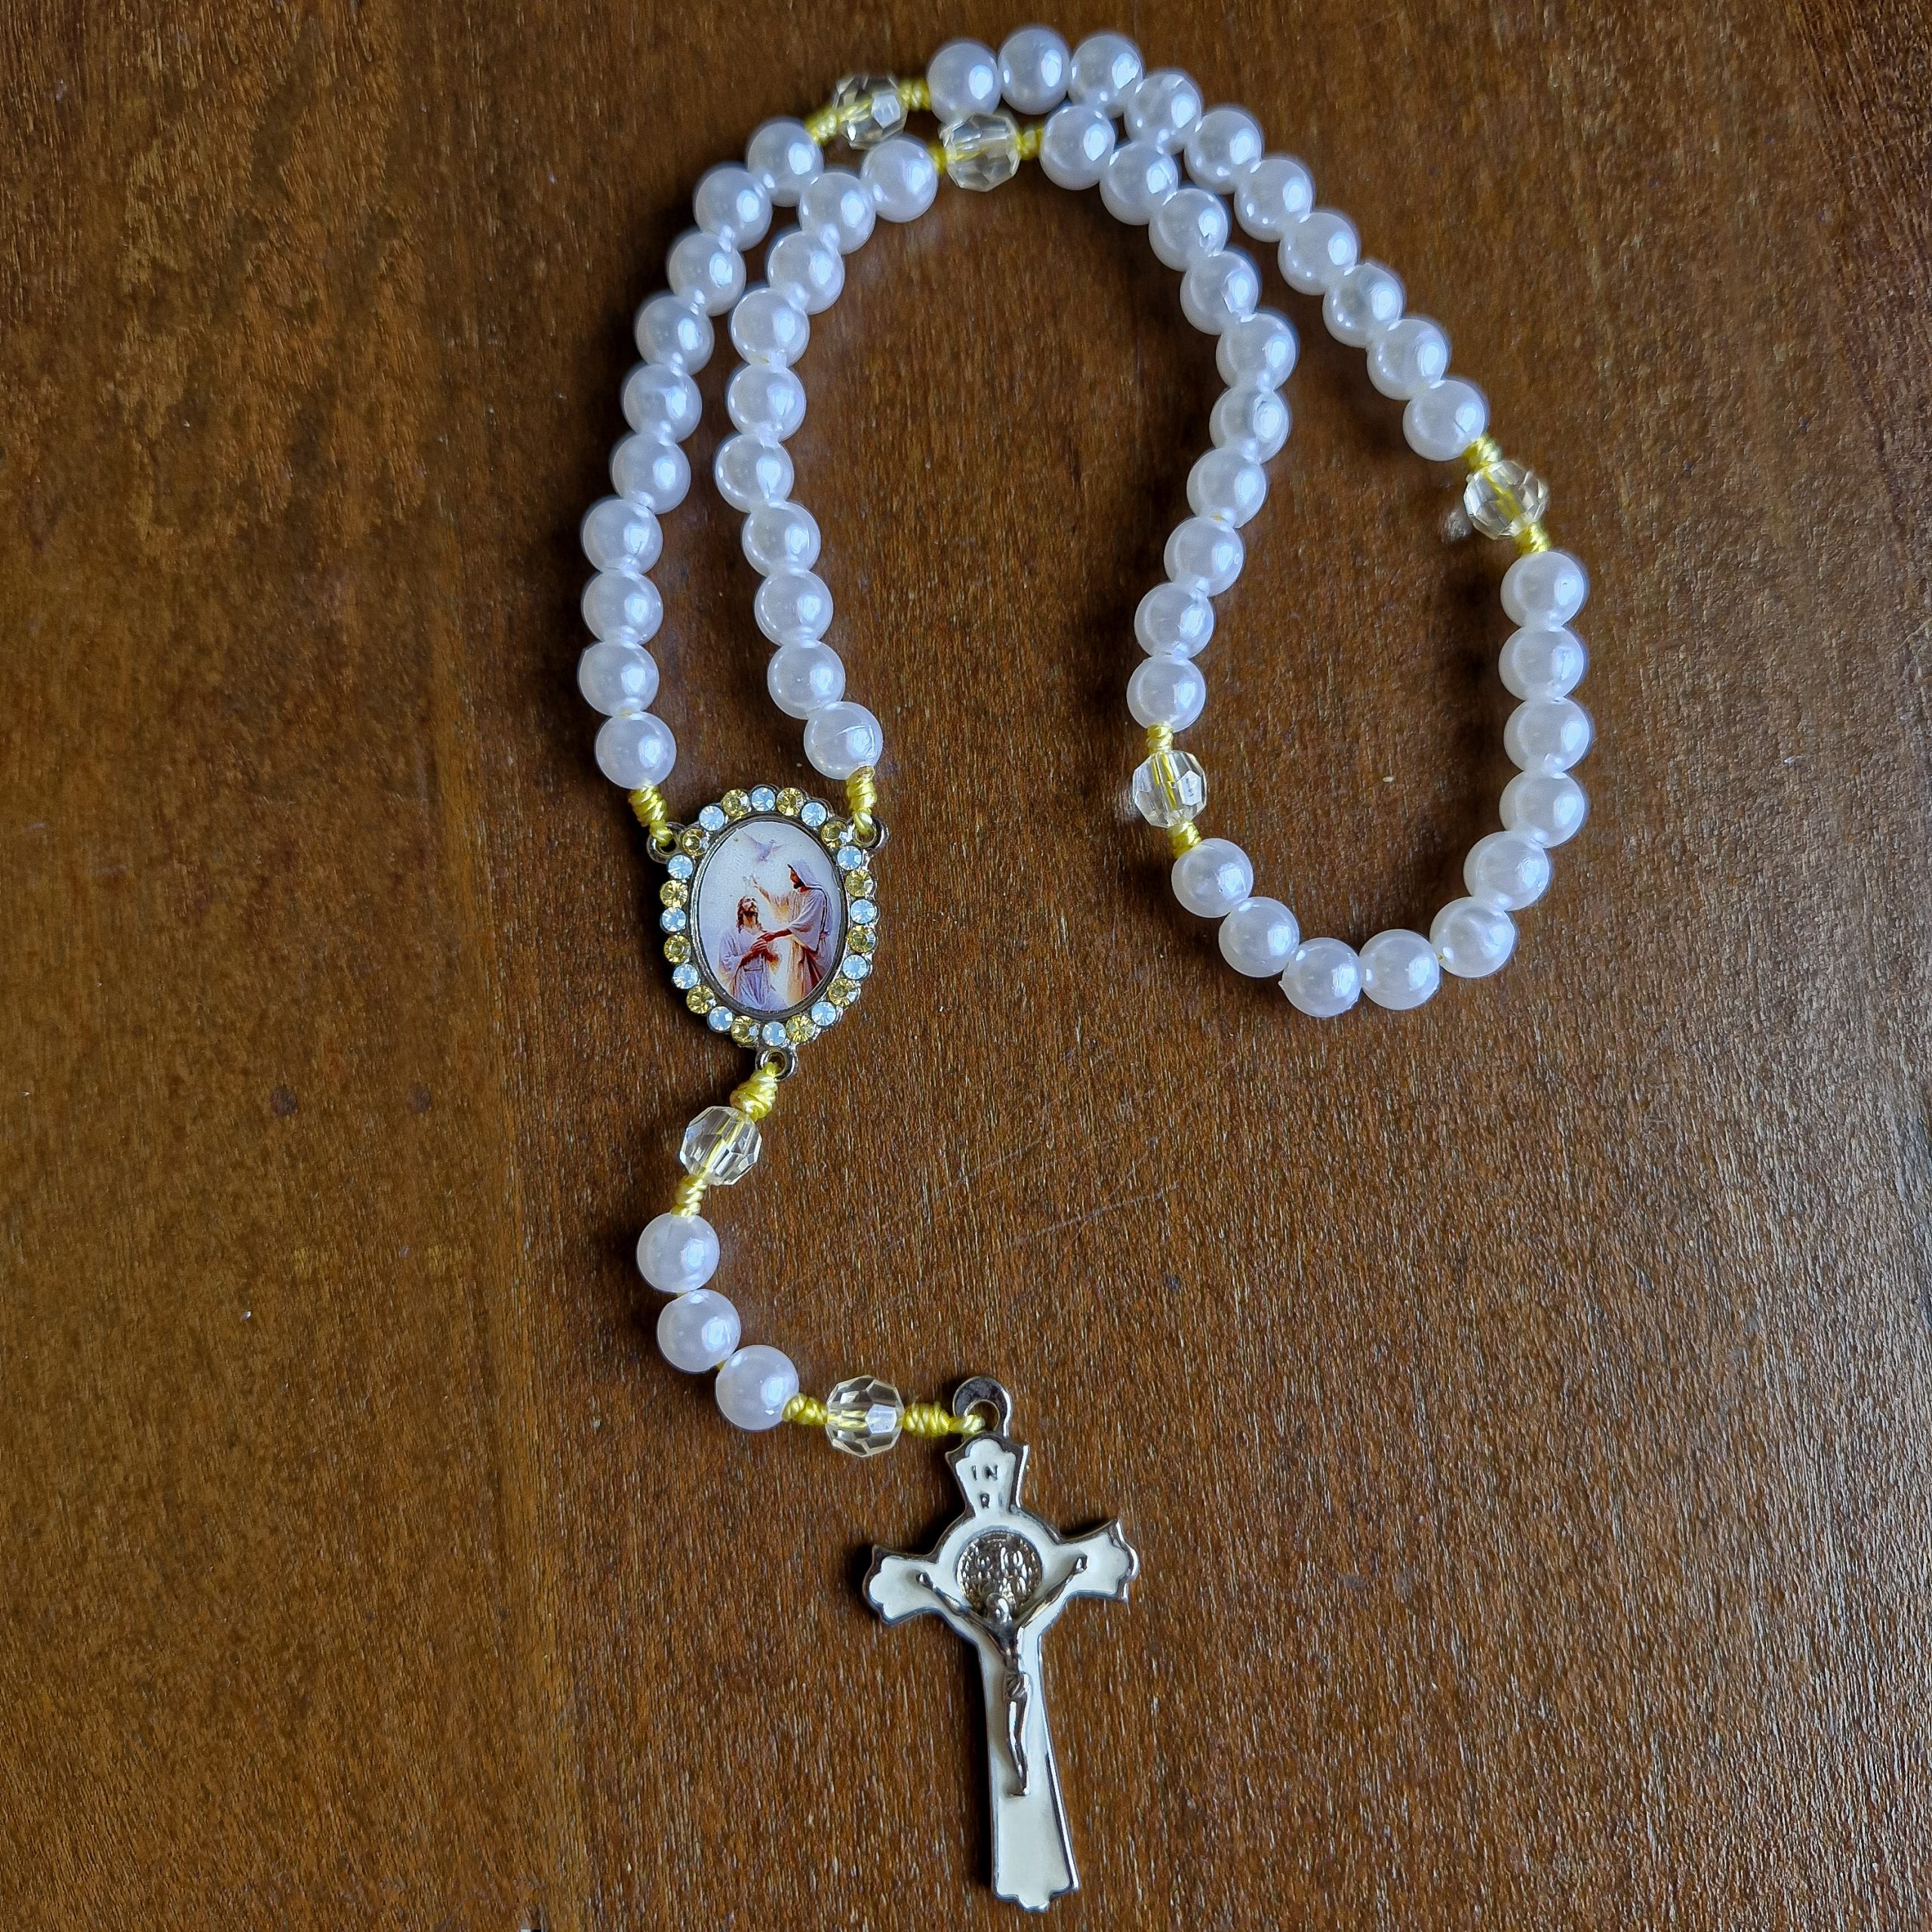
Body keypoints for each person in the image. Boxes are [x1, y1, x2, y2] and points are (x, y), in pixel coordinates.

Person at [759, 863, 834, 1004]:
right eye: (791, 874)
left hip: (815, 950)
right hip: (799, 947)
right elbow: (778, 902)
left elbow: (803, 925)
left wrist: (775, 935)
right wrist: (759, 888)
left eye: (794, 875)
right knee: (800, 990)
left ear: (802, 875)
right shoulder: (795, 895)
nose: (791, 878)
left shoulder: (816, 896)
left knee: (819, 989)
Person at [715, 897, 780, 1009]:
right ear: (740, 911)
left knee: (779, 1006)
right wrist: (751, 954)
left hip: (763, 985)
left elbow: (776, 958)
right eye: (748, 901)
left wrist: (767, 952)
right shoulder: (731, 934)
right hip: (743, 985)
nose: (752, 903)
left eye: (754, 900)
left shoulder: (766, 934)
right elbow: (725, 963)